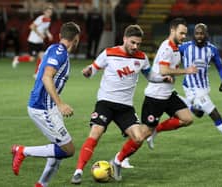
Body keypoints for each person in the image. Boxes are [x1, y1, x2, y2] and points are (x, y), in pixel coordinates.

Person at [71, 24, 172, 184]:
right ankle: (78, 171)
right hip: (105, 102)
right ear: (124, 39)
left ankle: (117, 161)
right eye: (132, 42)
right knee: (95, 133)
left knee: (138, 138)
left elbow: (150, 75)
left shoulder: (141, 58)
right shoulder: (109, 53)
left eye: (138, 44)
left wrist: (162, 78)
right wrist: (88, 71)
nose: (135, 46)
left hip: (125, 107)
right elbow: (94, 68)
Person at [147, 23, 222, 152]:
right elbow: (169, 57)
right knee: (215, 114)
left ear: (206, 34)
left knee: (198, 113)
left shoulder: (212, 49)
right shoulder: (184, 47)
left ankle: (185, 104)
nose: (199, 36)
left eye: (202, 33)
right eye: (197, 33)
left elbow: (219, 66)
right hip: (191, 88)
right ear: (193, 34)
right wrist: (165, 72)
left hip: (204, 87)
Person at [11, 21, 81, 187]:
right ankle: (22, 151)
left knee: (59, 149)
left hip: (48, 107)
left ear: (60, 36)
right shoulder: (60, 53)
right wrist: (61, 104)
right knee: (68, 150)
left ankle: (42, 184)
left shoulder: (53, 48)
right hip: (43, 108)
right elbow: (46, 77)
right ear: (76, 39)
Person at [12, 6, 53, 79]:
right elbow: (31, 26)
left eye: (50, 12)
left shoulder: (48, 20)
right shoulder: (40, 18)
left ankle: (36, 73)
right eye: (48, 12)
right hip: (33, 41)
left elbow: (45, 29)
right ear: (44, 12)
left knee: (42, 56)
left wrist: (49, 35)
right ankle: (18, 59)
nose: (49, 14)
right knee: (32, 59)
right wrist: (40, 34)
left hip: (40, 42)